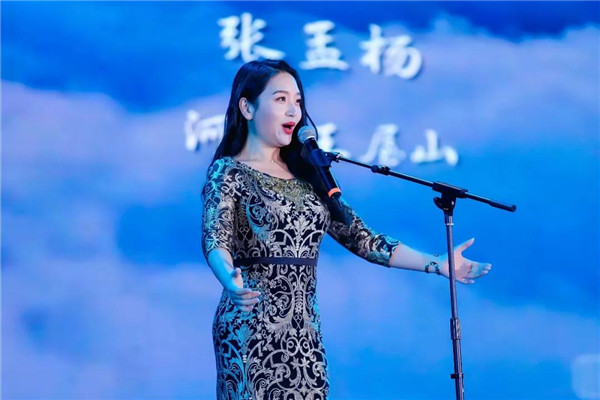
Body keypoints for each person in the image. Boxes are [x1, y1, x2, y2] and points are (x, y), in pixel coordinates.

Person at [202, 59, 491, 400]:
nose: (293, 110)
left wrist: (436, 263)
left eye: (298, 101)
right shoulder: (229, 171)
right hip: (251, 323)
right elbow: (215, 238)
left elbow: (363, 239)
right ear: (247, 108)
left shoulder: (309, 176)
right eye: (281, 99)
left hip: (304, 334)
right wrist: (228, 276)